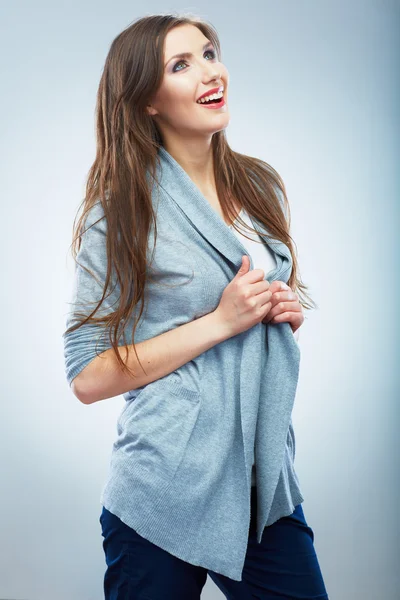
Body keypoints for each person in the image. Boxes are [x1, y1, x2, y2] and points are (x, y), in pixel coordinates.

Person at [63, 12, 329, 600]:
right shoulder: (121, 213)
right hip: (164, 488)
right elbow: (84, 376)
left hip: (263, 485)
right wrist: (219, 322)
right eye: (180, 66)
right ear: (147, 100)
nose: (211, 73)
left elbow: (253, 313)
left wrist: (279, 311)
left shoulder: (260, 185)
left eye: (209, 53)